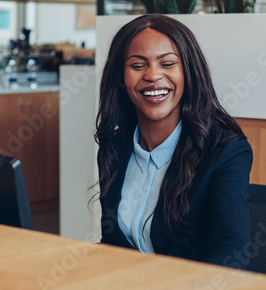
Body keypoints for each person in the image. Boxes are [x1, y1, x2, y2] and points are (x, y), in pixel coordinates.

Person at [95, 14, 253, 269]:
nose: (153, 75)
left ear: (188, 72)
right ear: (120, 78)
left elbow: (231, 251)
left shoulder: (225, 152)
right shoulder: (114, 147)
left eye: (168, 64)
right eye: (137, 66)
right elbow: (112, 243)